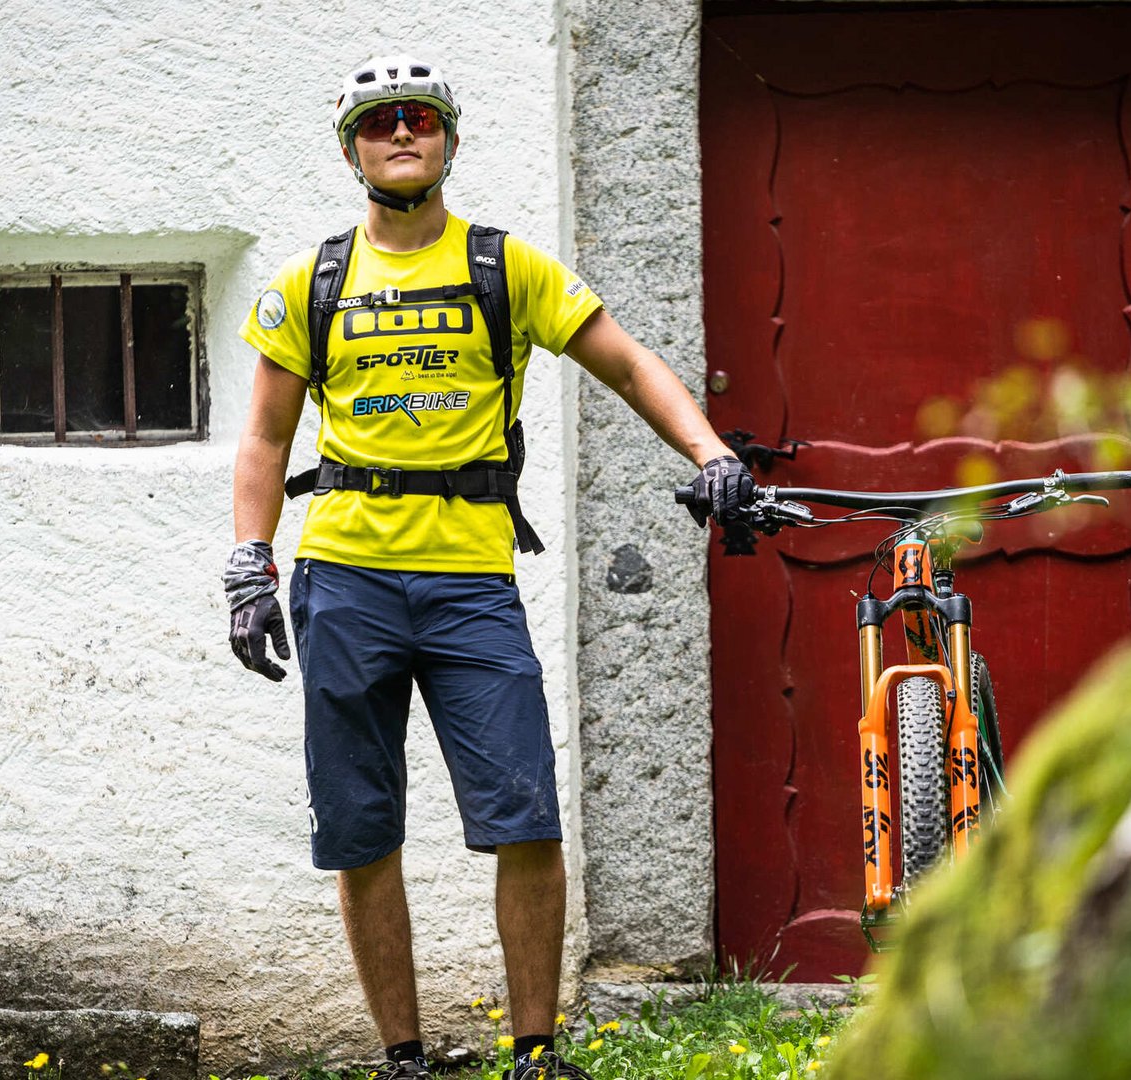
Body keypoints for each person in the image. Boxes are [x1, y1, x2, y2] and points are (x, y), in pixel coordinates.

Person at [223, 55, 754, 1080]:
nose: (402, 132)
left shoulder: (506, 268)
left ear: (451, 139)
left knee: (526, 819)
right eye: (380, 122)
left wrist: (712, 453)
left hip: (472, 584)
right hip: (343, 579)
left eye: (421, 117)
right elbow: (262, 441)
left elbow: (629, 360)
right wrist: (250, 563)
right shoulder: (313, 281)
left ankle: (535, 1054)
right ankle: (405, 1059)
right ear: (351, 151)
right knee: (362, 830)